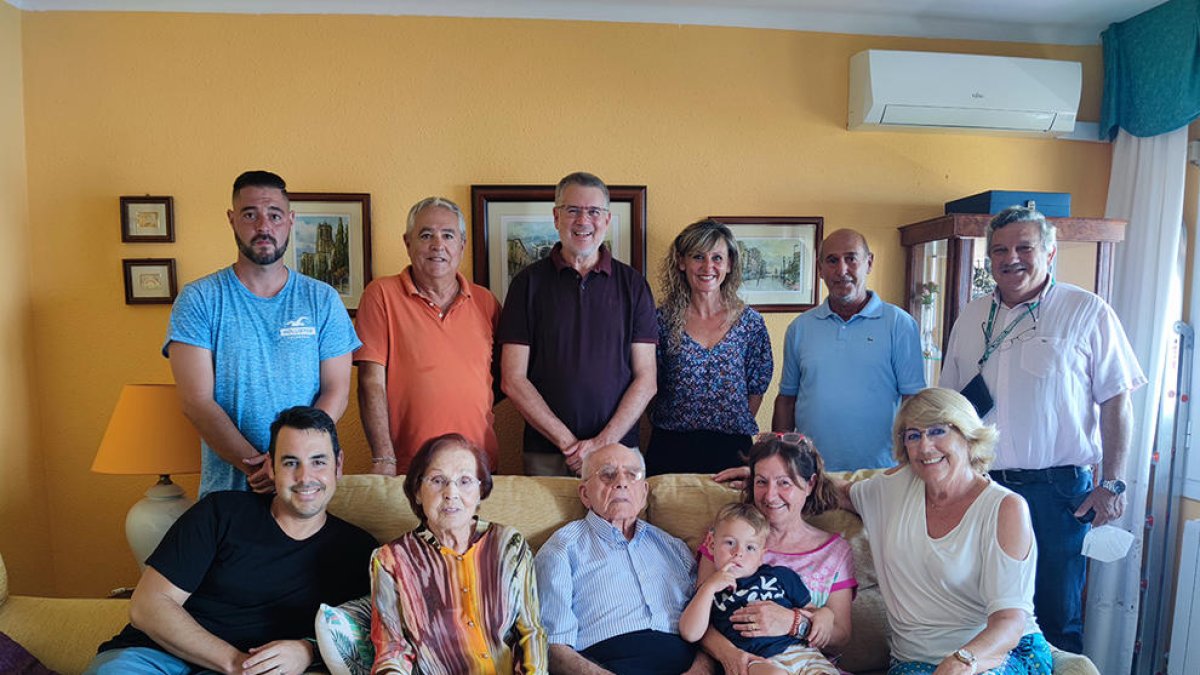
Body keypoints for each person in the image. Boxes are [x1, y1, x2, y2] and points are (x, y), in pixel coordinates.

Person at [939, 205, 1146, 652]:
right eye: (999, 250)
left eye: (1023, 247)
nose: (1011, 258)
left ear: (1050, 254)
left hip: (1058, 495)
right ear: (988, 258)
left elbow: (1116, 400)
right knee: (983, 615)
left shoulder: (1086, 311)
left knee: (1055, 618)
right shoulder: (971, 316)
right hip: (982, 489)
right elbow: (950, 408)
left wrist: (1112, 483)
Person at [84, 406, 377, 675]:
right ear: (271, 468)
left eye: (318, 461)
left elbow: (365, 632)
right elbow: (147, 606)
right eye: (290, 463)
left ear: (338, 465)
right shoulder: (220, 513)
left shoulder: (359, 550)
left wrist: (307, 649)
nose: (305, 477)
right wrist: (233, 662)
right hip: (154, 657)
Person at [165, 170, 360, 496]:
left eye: (274, 215)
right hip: (228, 497)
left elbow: (336, 391)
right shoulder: (199, 299)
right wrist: (257, 466)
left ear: (291, 220)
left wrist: (291, 463)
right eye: (250, 214)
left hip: (306, 493)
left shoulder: (322, 299)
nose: (263, 227)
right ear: (231, 219)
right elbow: (196, 402)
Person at [840, 387, 1051, 674]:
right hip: (915, 661)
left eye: (938, 431)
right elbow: (829, 492)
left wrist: (962, 661)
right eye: (913, 435)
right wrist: (763, 476)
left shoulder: (1006, 508)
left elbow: (1009, 620)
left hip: (998, 654)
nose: (925, 447)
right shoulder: (889, 489)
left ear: (967, 436)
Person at [498, 171, 657, 476]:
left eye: (594, 211)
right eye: (573, 210)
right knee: (544, 527)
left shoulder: (634, 285)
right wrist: (570, 444)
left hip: (619, 452)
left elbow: (646, 378)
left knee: (619, 525)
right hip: (547, 454)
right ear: (557, 217)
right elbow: (512, 379)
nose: (584, 220)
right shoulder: (526, 285)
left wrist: (601, 444)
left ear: (607, 220)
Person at [367, 433, 547, 672]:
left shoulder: (508, 545)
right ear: (418, 492)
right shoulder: (391, 561)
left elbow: (531, 632)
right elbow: (392, 651)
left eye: (464, 481)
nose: (451, 493)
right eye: (438, 480)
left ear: (480, 492)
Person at [534, 444, 715, 674]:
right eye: (607, 474)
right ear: (585, 494)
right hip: (608, 664)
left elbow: (709, 623)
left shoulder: (674, 548)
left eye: (632, 474)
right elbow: (554, 647)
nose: (621, 482)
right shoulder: (562, 549)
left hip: (684, 664)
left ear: (644, 492)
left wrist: (702, 669)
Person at [354, 197, 502, 474]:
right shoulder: (381, 295)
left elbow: (501, 377)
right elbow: (370, 382)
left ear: (462, 245)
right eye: (426, 235)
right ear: (408, 243)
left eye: (448, 235)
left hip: (478, 465)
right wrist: (383, 458)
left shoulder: (486, 302)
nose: (437, 245)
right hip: (409, 466)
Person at [773, 228, 925, 471]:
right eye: (832, 260)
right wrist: (778, 460)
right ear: (820, 268)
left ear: (869, 263)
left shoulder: (899, 324)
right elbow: (787, 401)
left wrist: (913, 460)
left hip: (881, 471)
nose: (841, 270)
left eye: (851, 258)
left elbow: (914, 401)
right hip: (811, 471)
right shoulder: (800, 328)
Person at [703, 436, 854, 675]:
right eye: (762, 482)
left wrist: (795, 623)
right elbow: (700, 613)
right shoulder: (728, 540)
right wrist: (729, 655)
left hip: (811, 665)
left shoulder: (836, 551)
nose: (770, 495)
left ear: (810, 484)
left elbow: (841, 635)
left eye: (784, 483)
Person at [649, 219, 773, 474]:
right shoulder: (660, 321)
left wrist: (727, 423)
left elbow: (756, 387)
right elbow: (649, 384)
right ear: (682, 262)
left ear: (729, 265)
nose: (708, 266)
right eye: (698, 256)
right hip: (670, 446)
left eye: (717, 258)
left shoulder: (749, 323)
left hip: (732, 448)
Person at [681, 503, 825, 675]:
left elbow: (811, 610)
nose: (738, 553)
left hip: (802, 652)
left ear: (761, 555)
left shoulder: (780, 576)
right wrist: (709, 587)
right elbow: (690, 633)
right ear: (712, 544)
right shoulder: (710, 590)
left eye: (750, 547)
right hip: (756, 661)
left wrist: (825, 615)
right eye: (730, 542)